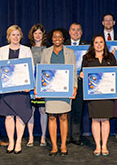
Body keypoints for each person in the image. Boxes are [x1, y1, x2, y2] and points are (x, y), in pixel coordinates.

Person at [39, 28, 77, 156]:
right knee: (51, 117)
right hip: (50, 90)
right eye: (54, 37)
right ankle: (54, 146)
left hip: (65, 89)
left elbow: (74, 71)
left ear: (63, 38)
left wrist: (75, 87)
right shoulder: (46, 52)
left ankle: (63, 145)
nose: (57, 39)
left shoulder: (70, 52)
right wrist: (39, 88)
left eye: (59, 37)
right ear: (51, 38)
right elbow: (42, 72)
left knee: (63, 116)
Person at [80, 35, 117, 156]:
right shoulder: (87, 58)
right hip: (94, 94)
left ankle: (104, 146)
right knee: (96, 120)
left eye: (101, 42)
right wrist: (82, 75)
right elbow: (83, 72)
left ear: (104, 44)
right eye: (96, 42)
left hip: (107, 94)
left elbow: (115, 72)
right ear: (93, 44)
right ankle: (97, 146)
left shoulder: (111, 57)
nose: (99, 44)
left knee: (106, 120)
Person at [0, 25, 33, 154]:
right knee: (9, 116)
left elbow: (31, 68)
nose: (15, 37)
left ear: (21, 36)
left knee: (20, 116)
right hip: (7, 90)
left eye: (18, 35)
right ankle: (11, 141)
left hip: (22, 89)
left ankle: (18, 141)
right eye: (13, 34)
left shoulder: (26, 50)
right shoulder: (1, 51)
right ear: (8, 37)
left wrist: (29, 85)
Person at [102, 13, 117, 142]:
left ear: (114, 22)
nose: (108, 22)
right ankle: (102, 130)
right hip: (102, 75)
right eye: (106, 20)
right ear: (102, 23)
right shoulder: (97, 38)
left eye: (111, 20)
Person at [64, 23, 88, 146]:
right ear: (69, 31)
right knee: (67, 110)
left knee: (78, 110)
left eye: (78, 30)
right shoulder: (63, 45)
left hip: (81, 82)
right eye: (73, 30)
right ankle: (66, 136)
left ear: (81, 32)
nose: (76, 32)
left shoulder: (87, 47)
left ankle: (76, 136)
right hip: (66, 83)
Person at [26, 23, 48, 147]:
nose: (38, 35)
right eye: (36, 33)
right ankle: (30, 137)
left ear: (43, 35)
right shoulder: (27, 49)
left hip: (43, 83)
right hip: (30, 83)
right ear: (32, 35)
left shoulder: (48, 49)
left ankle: (43, 137)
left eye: (40, 33)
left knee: (43, 110)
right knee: (31, 110)